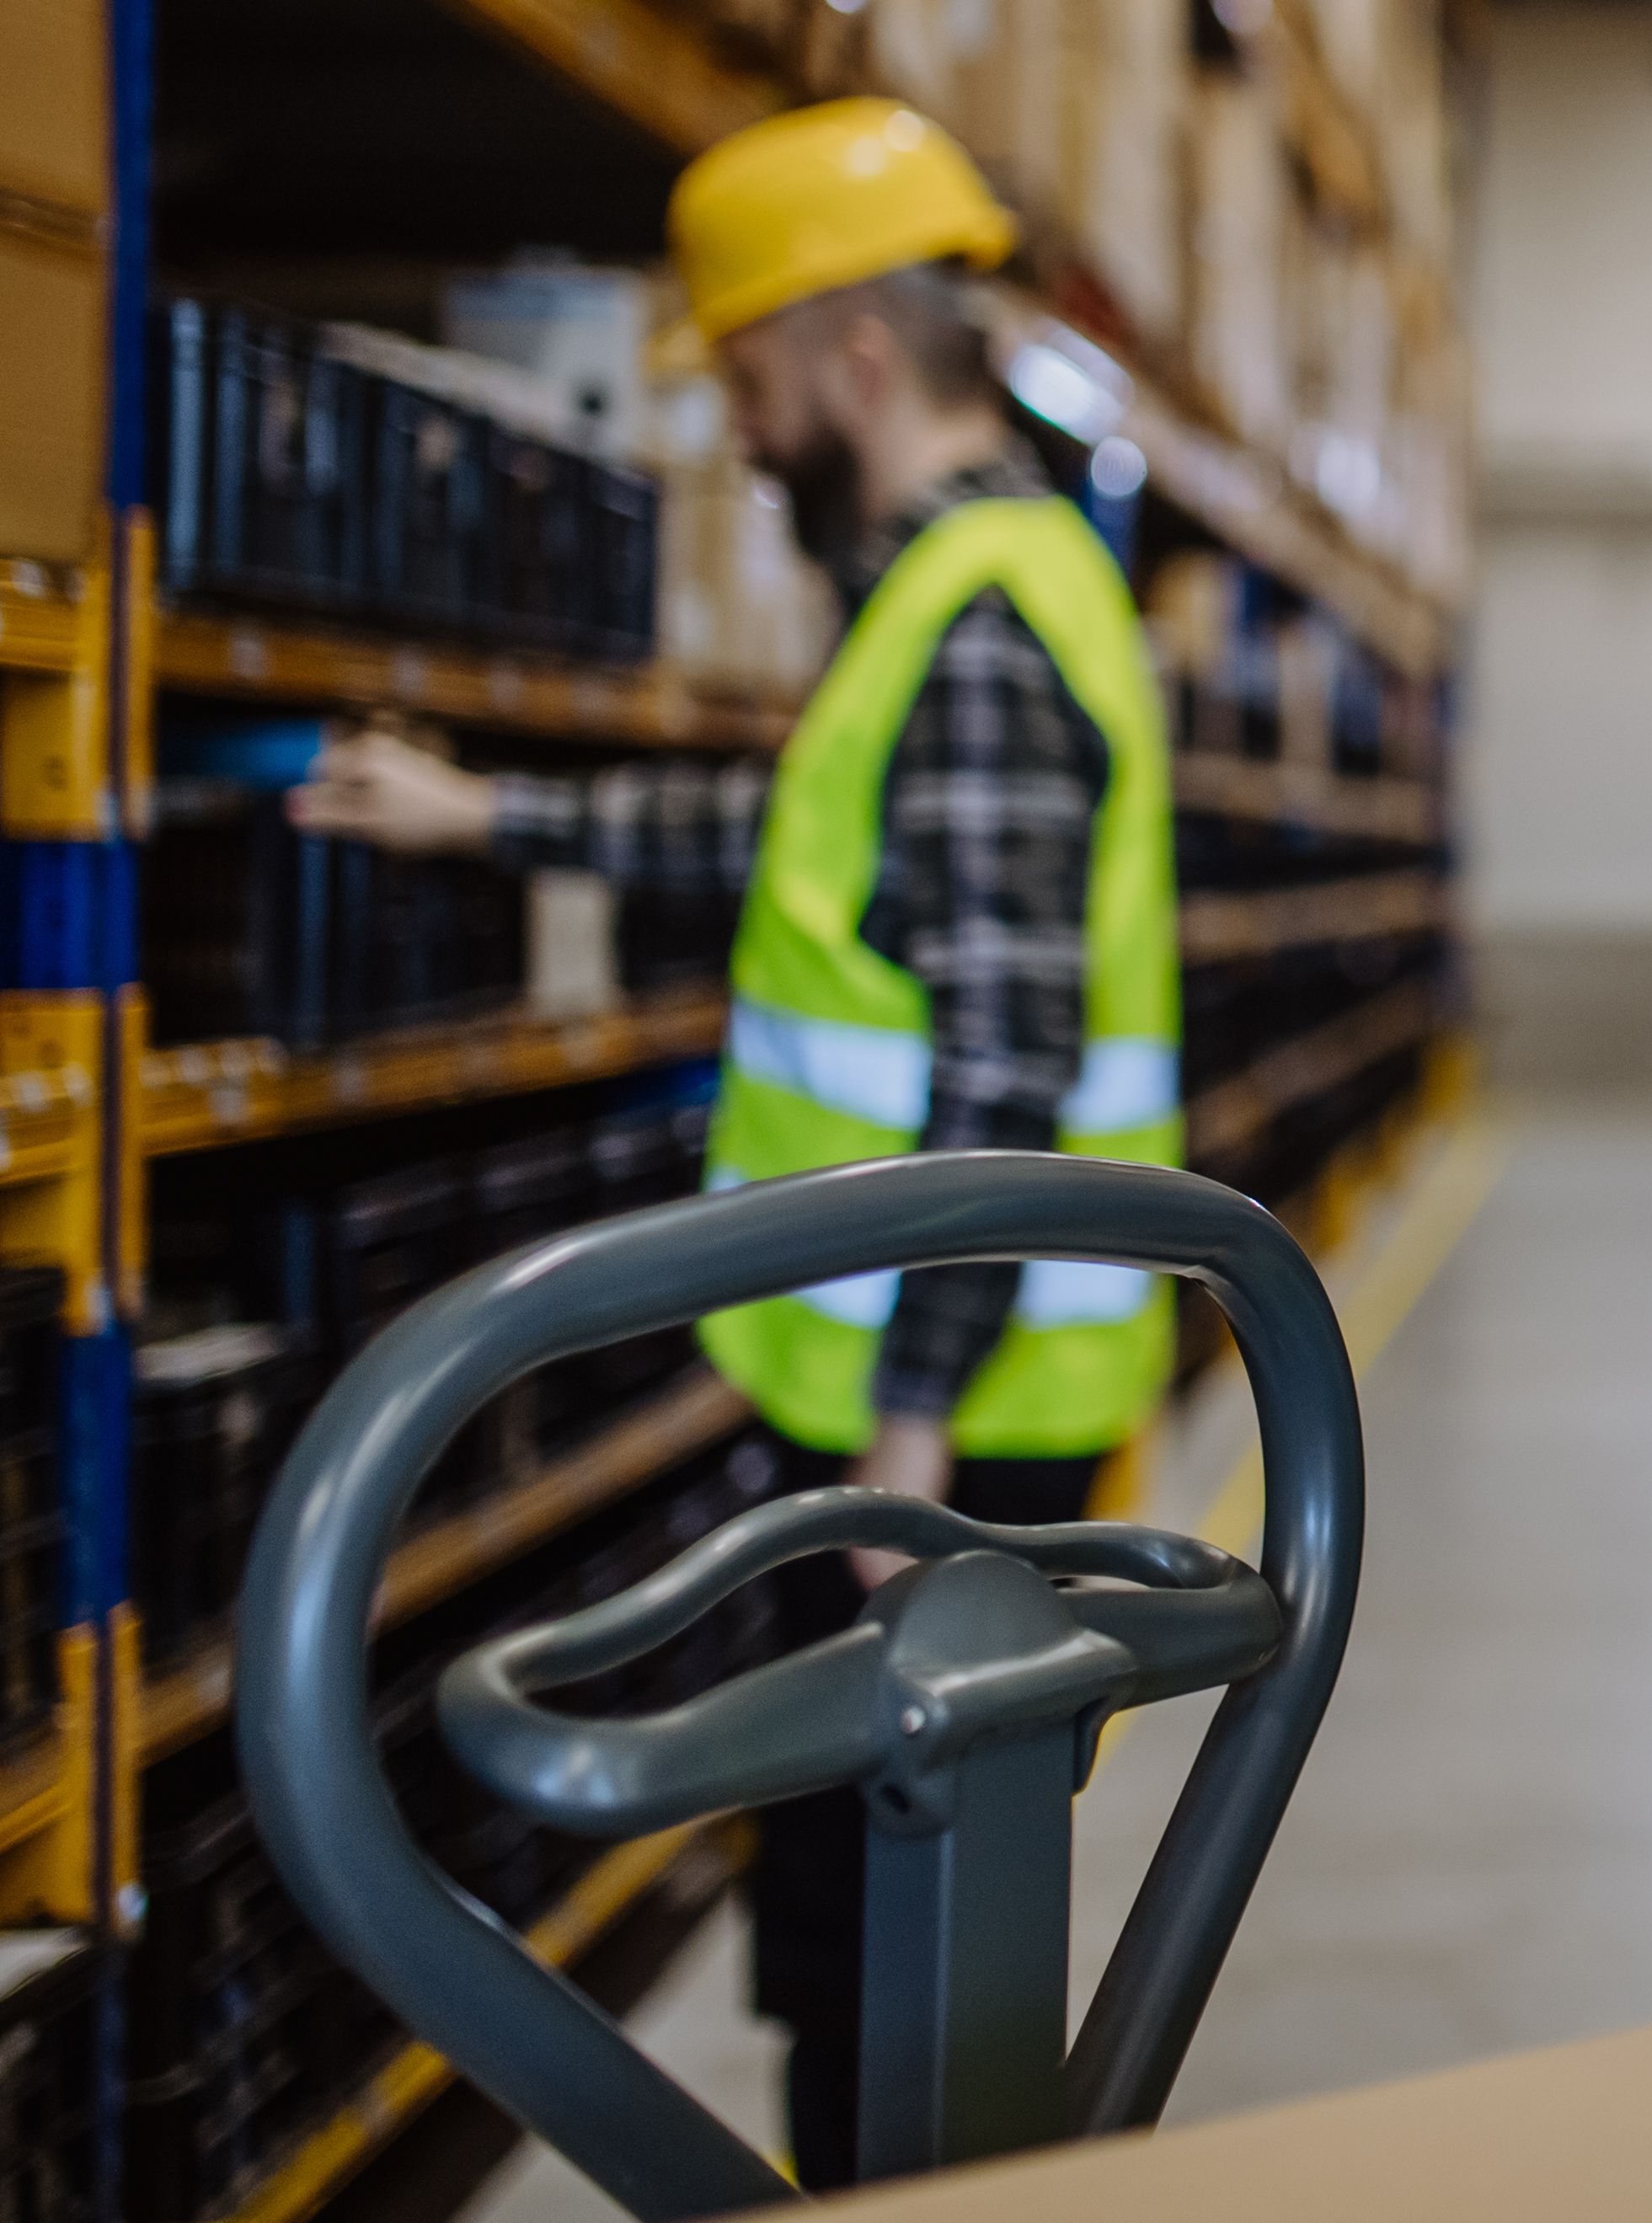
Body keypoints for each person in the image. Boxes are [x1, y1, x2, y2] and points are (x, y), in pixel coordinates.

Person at [286, 99, 1179, 2185]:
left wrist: (917, 1427)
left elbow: (1006, 1057)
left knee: (892, 1956)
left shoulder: (973, 620)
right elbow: (806, 854)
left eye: (756, 385)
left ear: (853, 359)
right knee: (857, 1926)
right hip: (908, 1403)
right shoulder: (964, 587)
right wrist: (491, 813)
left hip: (944, 1431)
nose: (751, 434)